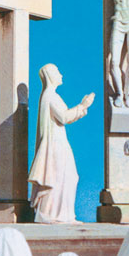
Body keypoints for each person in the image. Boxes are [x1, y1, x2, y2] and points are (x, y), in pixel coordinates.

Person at [28, 63, 94, 224]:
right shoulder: (50, 96)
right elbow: (64, 117)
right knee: (62, 176)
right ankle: (52, 215)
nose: (61, 75)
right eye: (58, 72)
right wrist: (83, 105)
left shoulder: (50, 96)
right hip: (54, 145)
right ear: (51, 75)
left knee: (68, 176)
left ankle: (60, 214)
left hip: (58, 141)